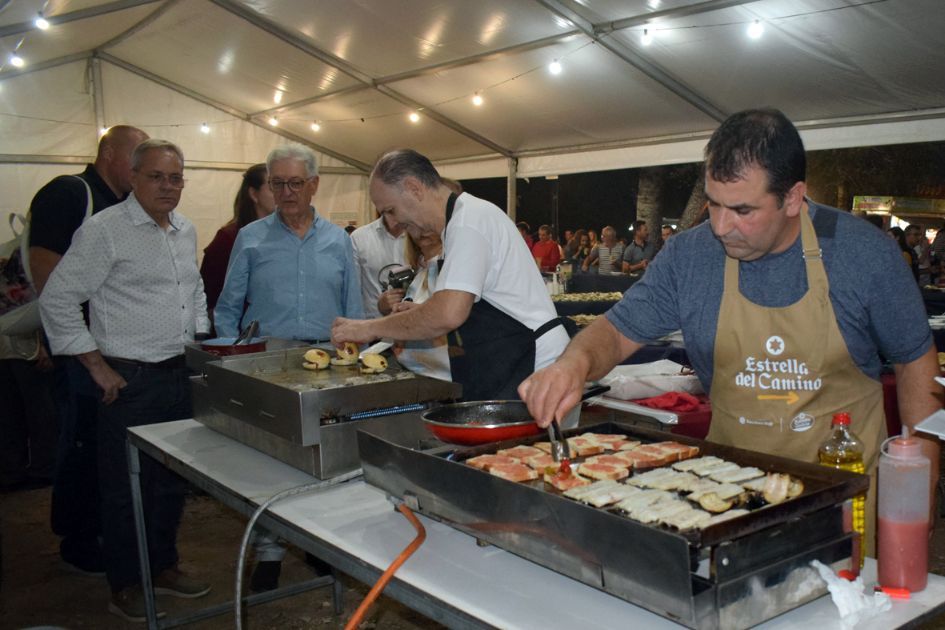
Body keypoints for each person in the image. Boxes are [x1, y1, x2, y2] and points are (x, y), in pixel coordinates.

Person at [520, 108, 940, 558]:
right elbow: (616, 331)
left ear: (794, 198)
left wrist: (922, 490)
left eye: (742, 210)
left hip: (840, 498)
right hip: (726, 499)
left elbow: (915, 361)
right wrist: (573, 364)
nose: (721, 227)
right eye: (714, 204)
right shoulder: (690, 256)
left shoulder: (862, 254)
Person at [39, 139, 212, 621]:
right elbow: (57, 300)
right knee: (124, 488)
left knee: (170, 482)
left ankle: (163, 567)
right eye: (156, 176)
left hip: (179, 374)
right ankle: (127, 583)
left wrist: (199, 342)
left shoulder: (185, 229)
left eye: (175, 177)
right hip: (129, 379)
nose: (167, 186)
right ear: (133, 178)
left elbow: (193, 289)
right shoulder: (105, 231)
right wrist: (96, 365)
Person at [331, 149, 569, 405]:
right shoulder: (460, 221)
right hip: (508, 360)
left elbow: (447, 313)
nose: (394, 222)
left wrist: (366, 328)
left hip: (534, 365)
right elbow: (477, 304)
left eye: (390, 210)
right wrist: (421, 311)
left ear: (414, 188)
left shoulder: (469, 222)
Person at [28, 124, 149, 575]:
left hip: (112, 351)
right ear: (108, 153)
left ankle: (101, 530)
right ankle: (78, 538)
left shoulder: (123, 206)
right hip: (83, 353)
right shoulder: (70, 193)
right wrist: (85, 353)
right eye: (135, 157)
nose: (142, 169)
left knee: (103, 446)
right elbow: (49, 280)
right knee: (80, 443)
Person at [214, 143, 362, 341]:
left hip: (327, 356)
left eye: (296, 183)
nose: (286, 192)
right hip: (263, 361)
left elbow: (353, 307)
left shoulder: (338, 239)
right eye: (277, 183)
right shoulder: (250, 237)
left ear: (314, 184)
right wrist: (235, 356)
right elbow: (227, 309)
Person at [199, 164, 275, 330]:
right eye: (273, 186)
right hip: (241, 337)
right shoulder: (228, 239)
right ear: (254, 194)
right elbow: (210, 297)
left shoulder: (281, 238)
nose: (282, 193)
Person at [388, 227, 450, 381]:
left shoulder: (451, 272)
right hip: (419, 375)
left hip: (445, 376)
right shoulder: (420, 276)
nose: (421, 231)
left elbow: (457, 322)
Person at [350, 212, 407, 319]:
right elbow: (353, 293)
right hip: (373, 326)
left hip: (415, 325)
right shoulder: (359, 238)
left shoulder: (421, 237)